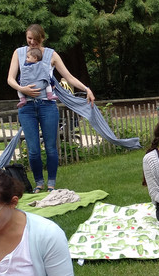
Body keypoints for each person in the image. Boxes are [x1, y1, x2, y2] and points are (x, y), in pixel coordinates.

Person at [7, 23, 95, 193]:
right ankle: (39, 183)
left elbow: (68, 76)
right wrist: (21, 89)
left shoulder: (51, 55)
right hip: (27, 108)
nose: (31, 42)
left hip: (47, 107)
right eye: (29, 38)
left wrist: (86, 89)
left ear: (42, 38)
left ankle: (51, 184)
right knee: (33, 150)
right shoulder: (19, 53)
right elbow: (10, 79)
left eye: (35, 39)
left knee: (51, 148)